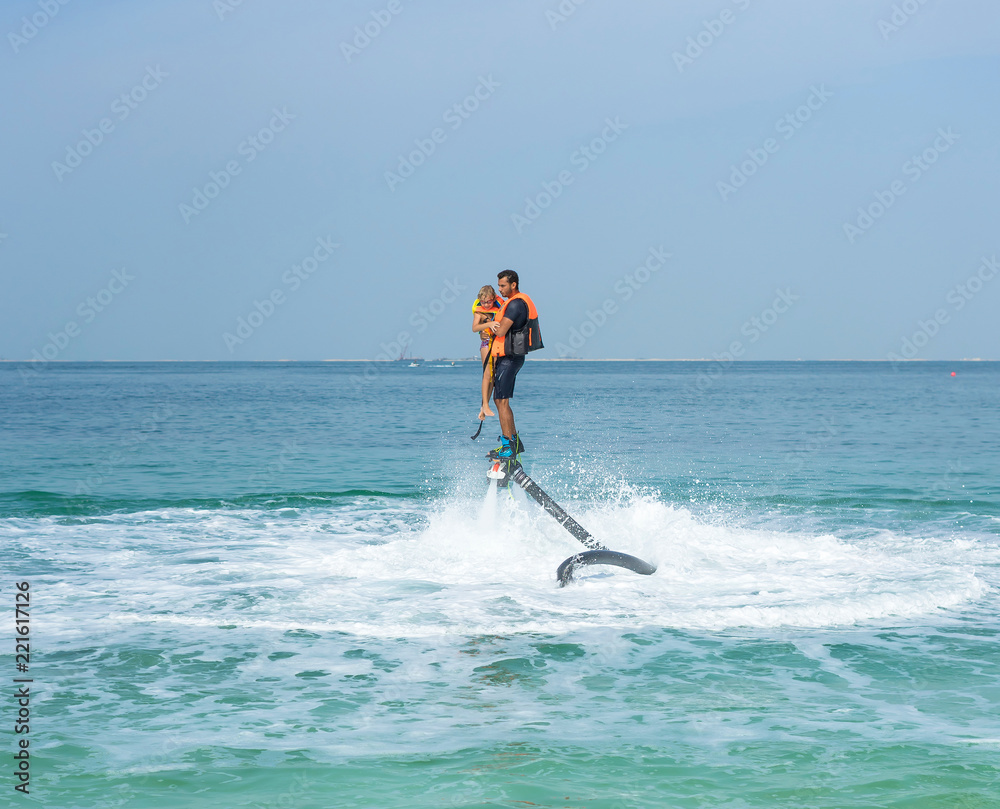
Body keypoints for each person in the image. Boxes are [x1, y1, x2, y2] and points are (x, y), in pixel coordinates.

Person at [487, 269, 542, 460]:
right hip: (509, 357)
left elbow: (501, 331)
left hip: (510, 358)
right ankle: (513, 442)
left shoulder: (516, 304)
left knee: (501, 400)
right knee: (500, 400)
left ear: (513, 285)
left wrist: (488, 324)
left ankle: (508, 445)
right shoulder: (513, 302)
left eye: (503, 286)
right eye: (499, 285)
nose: (499, 289)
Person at [471, 285, 503, 421]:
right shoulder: (479, 311)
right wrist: (488, 325)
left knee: (493, 376)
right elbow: (475, 328)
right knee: (487, 373)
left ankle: (483, 408)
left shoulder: (499, 308)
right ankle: (485, 404)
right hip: (486, 343)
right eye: (483, 302)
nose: (486, 304)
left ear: (493, 298)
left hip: (497, 343)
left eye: (489, 302)